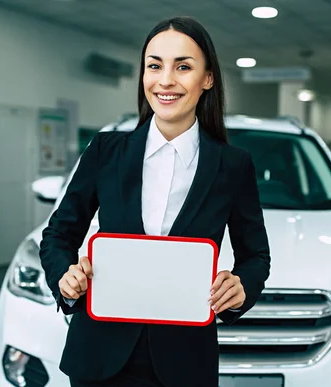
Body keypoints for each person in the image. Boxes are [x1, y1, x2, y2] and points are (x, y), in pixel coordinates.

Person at [39, 16, 271, 387]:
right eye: (154, 66)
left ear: (207, 79)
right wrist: (64, 278)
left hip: (184, 362)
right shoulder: (106, 150)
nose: (165, 80)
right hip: (99, 354)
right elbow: (58, 235)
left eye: (183, 66)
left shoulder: (233, 166)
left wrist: (242, 286)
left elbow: (256, 255)